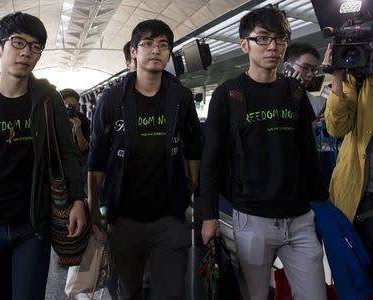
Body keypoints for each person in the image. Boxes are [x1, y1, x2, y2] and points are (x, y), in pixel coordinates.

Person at [0, 12, 87, 300]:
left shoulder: (49, 100)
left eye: (35, 47)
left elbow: (69, 153)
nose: (26, 53)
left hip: (32, 224)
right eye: (18, 43)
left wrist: (78, 199)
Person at [199, 6, 327, 300]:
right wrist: (209, 216)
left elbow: (308, 153)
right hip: (252, 219)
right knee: (256, 295)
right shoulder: (228, 94)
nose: (273, 46)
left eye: (280, 39)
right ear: (244, 45)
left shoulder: (294, 92)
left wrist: (321, 203)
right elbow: (212, 161)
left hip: (299, 220)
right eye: (263, 38)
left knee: (315, 294)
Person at [88, 19, 200, 300]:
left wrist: (193, 182)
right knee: (127, 293)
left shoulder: (180, 97)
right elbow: (98, 155)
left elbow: (194, 143)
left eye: (163, 45)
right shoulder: (113, 99)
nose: (156, 50)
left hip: (169, 216)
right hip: (124, 217)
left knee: (171, 292)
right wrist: (92, 205)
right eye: (148, 44)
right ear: (134, 52)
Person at [324, 44, 373, 274]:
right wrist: (337, 78)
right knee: (358, 275)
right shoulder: (358, 80)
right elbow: (336, 127)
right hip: (360, 197)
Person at [283, 42, 326, 119]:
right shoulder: (269, 94)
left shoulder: (318, 104)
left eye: (313, 70)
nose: (310, 74)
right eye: (305, 67)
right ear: (288, 67)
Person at [60, 88, 90, 154]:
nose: (70, 109)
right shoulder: (54, 118)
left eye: (73, 106)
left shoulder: (82, 118)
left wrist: (78, 131)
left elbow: (84, 149)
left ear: (78, 106)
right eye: (67, 105)